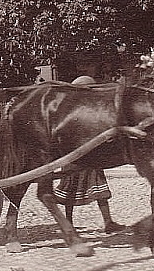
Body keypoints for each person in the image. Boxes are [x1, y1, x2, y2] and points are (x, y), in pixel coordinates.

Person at [53, 76, 126, 233]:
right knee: (70, 190)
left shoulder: (86, 108)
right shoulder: (70, 110)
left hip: (91, 153)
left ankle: (108, 222)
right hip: (75, 155)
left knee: (99, 190)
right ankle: (70, 223)